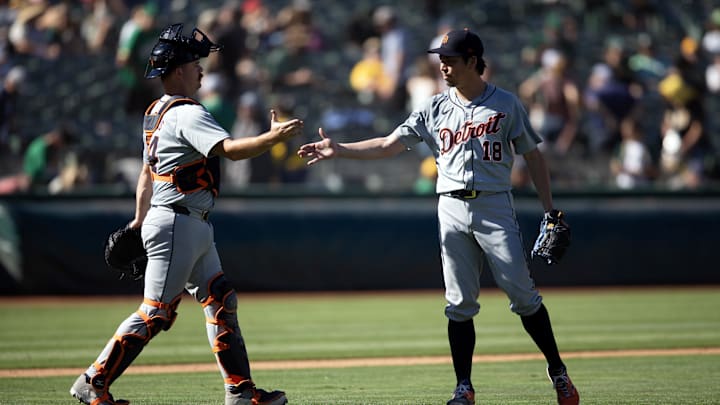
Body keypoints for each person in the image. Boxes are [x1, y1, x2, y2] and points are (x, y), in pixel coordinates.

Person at [297, 29, 579, 405]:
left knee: (523, 296)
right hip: (449, 206)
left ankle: (558, 371)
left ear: (473, 61)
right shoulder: (434, 106)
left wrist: (549, 209)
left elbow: (534, 156)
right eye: (441, 58)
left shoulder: (507, 104)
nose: (442, 65)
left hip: (495, 204)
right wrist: (340, 149)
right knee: (459, 303)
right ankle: (463, 387)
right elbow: (387, 144)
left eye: (450, 59)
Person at [69, 23, 303, 405]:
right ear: (178, 69)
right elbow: (229, 149)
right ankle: (93, 381)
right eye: (196, 63)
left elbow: (148, 173)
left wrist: (138, 222)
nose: (202, 70)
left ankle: (240, 393)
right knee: (155, 313)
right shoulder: (187, 113)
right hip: (179, 220)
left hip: (181, 220)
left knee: (220, 299)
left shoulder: (155, 112)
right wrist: (271, 139)